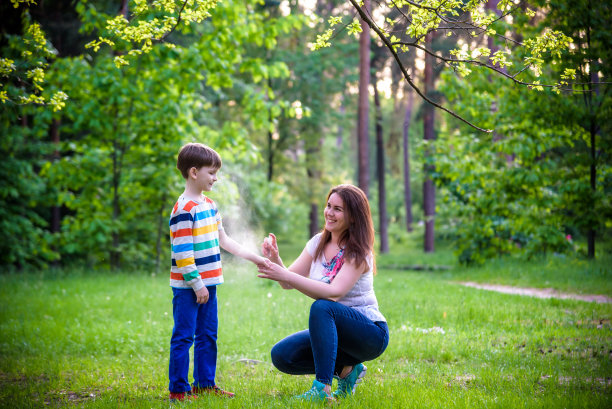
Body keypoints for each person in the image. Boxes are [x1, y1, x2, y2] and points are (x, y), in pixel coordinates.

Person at [258, 184, 389, 402]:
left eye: (338, 209)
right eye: (329, 206)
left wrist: (285, 275)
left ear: (354, 217)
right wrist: (275, 260)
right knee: (282, 355)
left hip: (369, 333)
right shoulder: (318, 242)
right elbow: (287, 282)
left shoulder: (359, 251)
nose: (329, 212)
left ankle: (322, 390)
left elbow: (333, 294)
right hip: (335, 330)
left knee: (322, 307)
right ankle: (347, 371)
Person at [168, 142, 266, 401]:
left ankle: (204, 384)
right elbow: (182, 252)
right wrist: (196, 283)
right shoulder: (183, 210)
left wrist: (255, 258)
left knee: (207, 335)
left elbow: (225, 240)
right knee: (184, 336)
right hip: (189, 287)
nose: (215, 177)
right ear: (193, 172)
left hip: (209, 283)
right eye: (211, 172)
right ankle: (178, 390)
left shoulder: (209, 205)